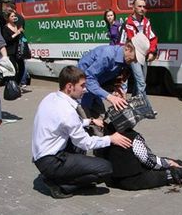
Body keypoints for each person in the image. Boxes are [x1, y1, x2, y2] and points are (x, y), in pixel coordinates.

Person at [32, 66, 132, 198]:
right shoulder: (67, 111)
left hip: (41, 156)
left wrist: (90, 121)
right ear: (69, 87)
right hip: (51, 161)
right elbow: (85, 143)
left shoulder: (52, 97)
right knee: (105, 168)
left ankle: (62, 175)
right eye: (82, 85)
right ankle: (62, 185)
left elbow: (66, 124)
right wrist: (111, 139)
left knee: (81, 138)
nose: (85, 90)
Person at [101, 123, 182, 190]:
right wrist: (167, 163)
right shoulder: (133, 137)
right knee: (171, 172)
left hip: (116, 176)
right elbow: (149, 161)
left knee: (173, 161)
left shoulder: (107, 129)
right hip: (132, 179)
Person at [78, 33, 150, 119]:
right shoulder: (108, 55)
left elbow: (109, 77)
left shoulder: (124, 62)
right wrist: (110, 97)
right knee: (86, 122)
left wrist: (117, 88)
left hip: (93, 88)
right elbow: (88, 79)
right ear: (128, 48)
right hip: (80, 89)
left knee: (102, 117)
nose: (134, 61)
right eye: (135, 57)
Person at [119, 0, 157, 112]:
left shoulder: (146, 22)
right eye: (139, 6)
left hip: (143, 55)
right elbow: (121, 42)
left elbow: (152, 38)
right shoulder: (127, 23)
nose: (142, 9)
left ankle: (134, 106)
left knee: (140, 82)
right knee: (141, 82)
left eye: (144, 6)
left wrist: (151, 52)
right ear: (134, 8)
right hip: (132, 57)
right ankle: (145, 109)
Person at [1, 9, 25, 86]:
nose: (14, 17)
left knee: (22, 67)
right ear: (8, 18)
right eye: (12, 16)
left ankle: (17, 84)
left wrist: (21, 32)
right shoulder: (5, 28)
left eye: (14, 16)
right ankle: (13, 85)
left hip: (19, 50)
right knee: (14, 69)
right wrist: (16, 33)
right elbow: (7, 40)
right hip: (11, 51)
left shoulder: (16, 25)